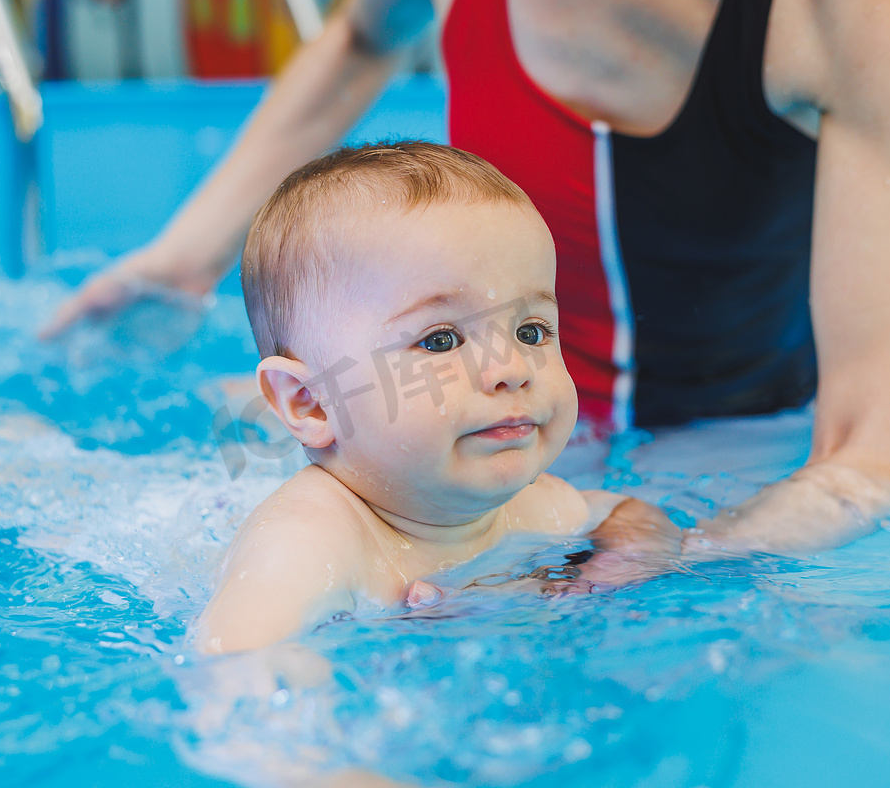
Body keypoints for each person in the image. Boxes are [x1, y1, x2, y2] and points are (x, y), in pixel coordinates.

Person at [42, 0, 890, 557]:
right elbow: (364, 38)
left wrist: (668, 554)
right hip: (450, 414)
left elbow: (870, 463)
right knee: (199, 463)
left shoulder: (877, 15)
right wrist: (185, 259)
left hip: (728, 455)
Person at [189, 142, 682, 654]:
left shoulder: (534, 508)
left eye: (532, 332)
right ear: (312, 402)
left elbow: (624, 513)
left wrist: (621, 560)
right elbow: (235, 666)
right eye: (441, 340)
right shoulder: (307, 545)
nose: (511, 370)